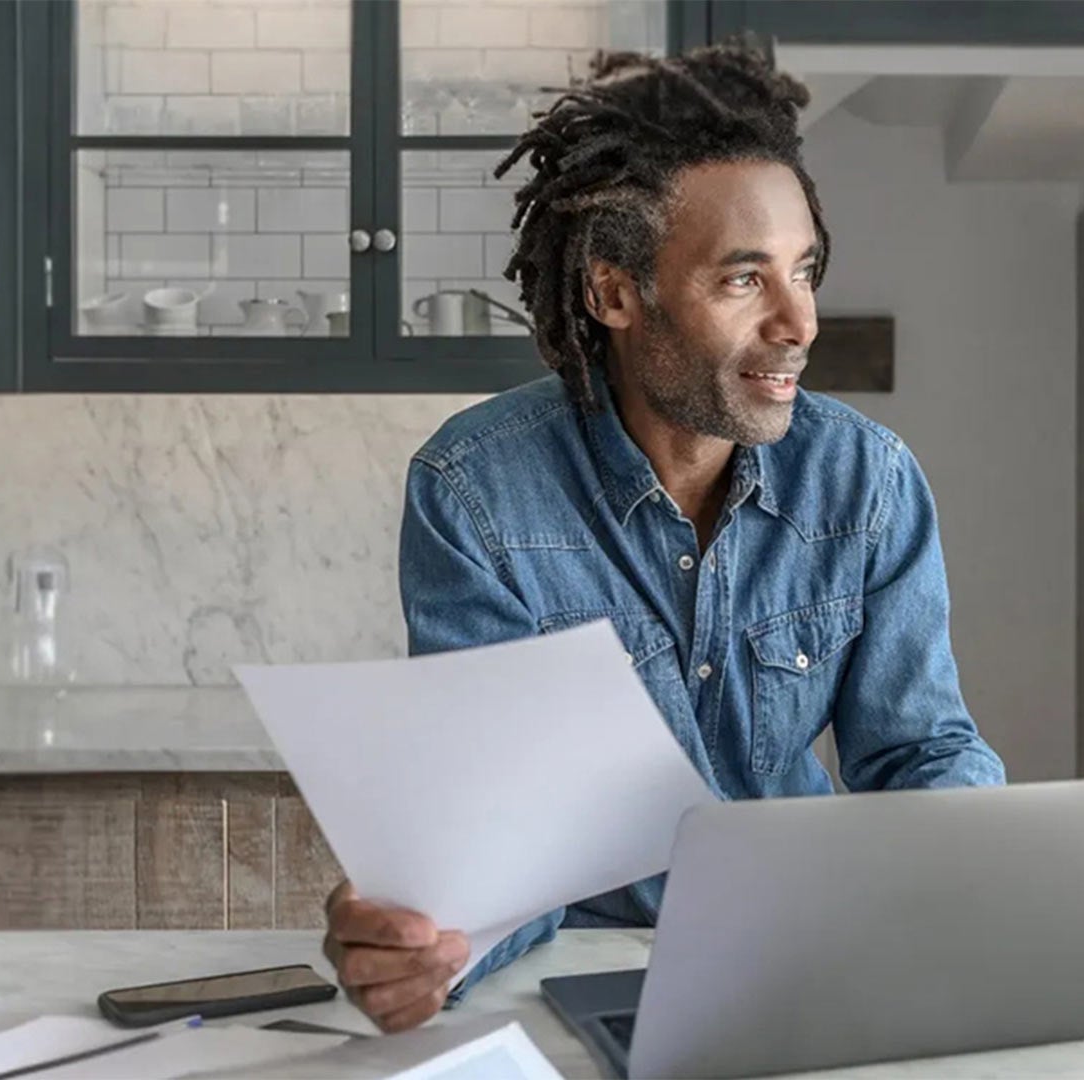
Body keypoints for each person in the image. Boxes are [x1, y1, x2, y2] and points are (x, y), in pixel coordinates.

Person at [321, 40, 1006, 1033]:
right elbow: (505, 825)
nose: (799, 322)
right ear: (615, 294)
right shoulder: (476, 492)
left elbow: (917, 749)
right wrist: (436, 937)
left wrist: (991, 866)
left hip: (813, 952)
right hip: (581, 969)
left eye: (803, 271)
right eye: (744, 281)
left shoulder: (870, 481)